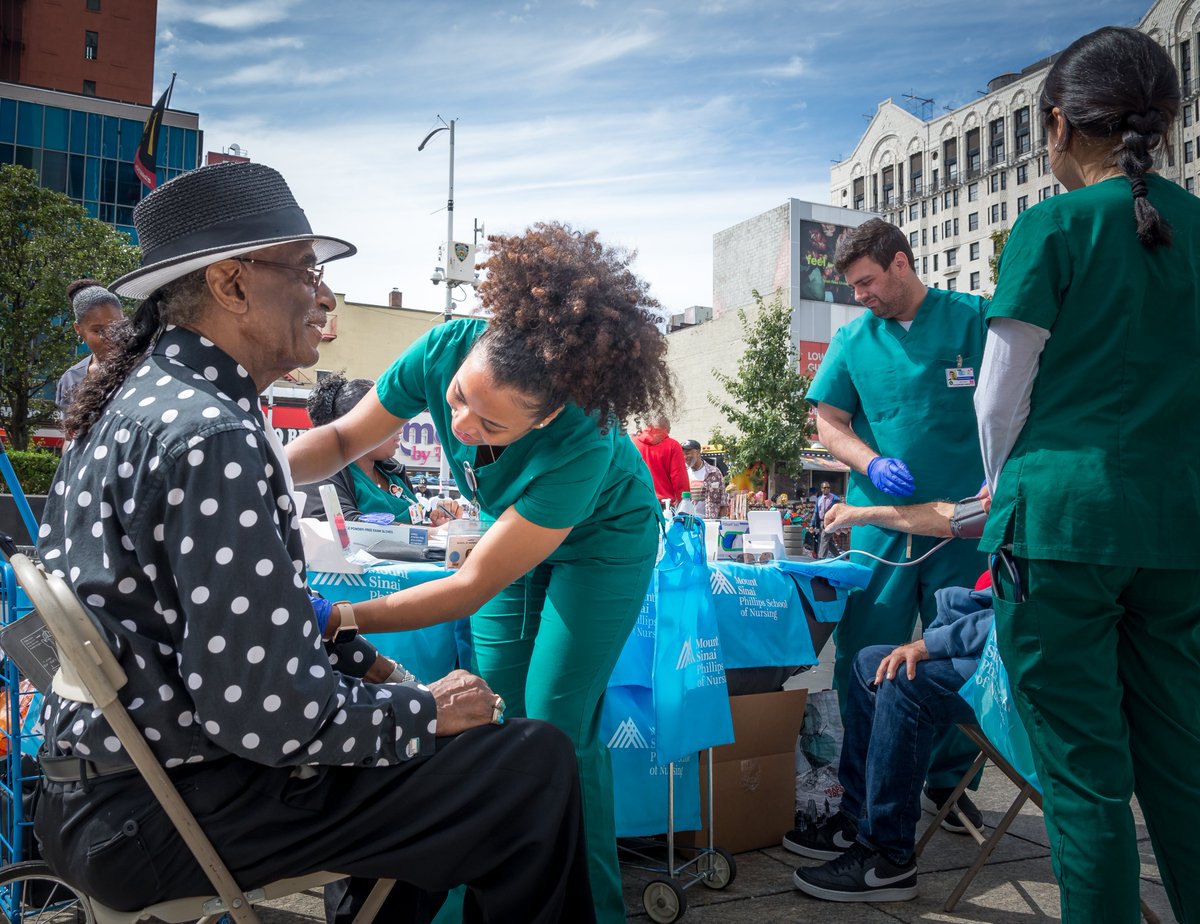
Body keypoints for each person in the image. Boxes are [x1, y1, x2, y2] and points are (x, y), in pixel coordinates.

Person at [37, 161, 594, 924]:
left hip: (107, 796)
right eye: (305, 271)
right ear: (232, 285)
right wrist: (418, 712)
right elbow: (264, 714)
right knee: (530, 764)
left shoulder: (137, 407)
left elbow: (245, 621)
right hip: (166, 813)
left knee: (445, 772)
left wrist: (371, 668)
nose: (324, 295)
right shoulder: (212, 435)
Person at [285, 221, 674, 924]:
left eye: (491, 428)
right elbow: (343, 439)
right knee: (487, 713)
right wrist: (251, 471)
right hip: (510, 530)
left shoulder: (581, 439)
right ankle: (483, 900)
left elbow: (471, 588)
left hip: (602, 543)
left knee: (556, 722)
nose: (461, 427)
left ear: (550, 413)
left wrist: (340, 617)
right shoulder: (443, 349)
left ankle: (592, 910)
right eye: (461, 398)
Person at [976, 27, 1200, 923]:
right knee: (1185, 765)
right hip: (1178, 526)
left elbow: (998, 401)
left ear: (1058, 126)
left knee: (1084, 776)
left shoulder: (1053, 226)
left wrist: (1001, 494)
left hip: (1060, 524)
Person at [806, 217, 987, 825]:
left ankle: (951, 784)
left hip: (964, 524)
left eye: (867, 282)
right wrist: (870, 460)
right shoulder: (853, 342)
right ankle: (859, 792)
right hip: (878, 523)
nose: (861, 297)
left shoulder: (975, 318)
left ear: (902, 263)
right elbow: (829, 423)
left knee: (955, 649)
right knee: (866, 650)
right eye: (853, 288)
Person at [305, 373, 457, 527]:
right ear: (357, 424)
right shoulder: (323, 472)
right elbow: (346, 525)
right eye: (388, 421)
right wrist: (428, 534)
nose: (399, 429)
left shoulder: (394, 473)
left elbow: (417, 523)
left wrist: (435, 521)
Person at [55, 279, 124, 415]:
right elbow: (71, 434)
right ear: (78, 329)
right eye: (99, 331)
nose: (111, 336)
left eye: (117, 326)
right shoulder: (71, 379)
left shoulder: (146, 365)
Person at [632, 416, 688, 507]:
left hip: (636, 502)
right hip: (664, 504)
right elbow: (679, 478)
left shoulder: (632, 444)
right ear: (666, 428)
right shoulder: (673, 445)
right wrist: (685, 503)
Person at [681, 439, 727, 518]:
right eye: (683, 454)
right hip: (688, 522)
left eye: (688, 453)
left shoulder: (714, 472)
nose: (685, 457)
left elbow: (723, 502)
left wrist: (721, 523)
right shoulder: (682, 473)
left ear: (698, 452)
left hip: (709, 522)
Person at [811, 481, 840, 558]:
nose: (827, 489)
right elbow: (816, 512)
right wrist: (812, 524)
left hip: (830, 522)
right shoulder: (819, 499)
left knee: (824, 538)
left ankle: (821, 558)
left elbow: (839, 509)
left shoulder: (834, 498)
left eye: (828, 487)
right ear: (821, 489)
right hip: (821, 522)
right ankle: (840, 557)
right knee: (829, 542)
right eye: (825, 487)